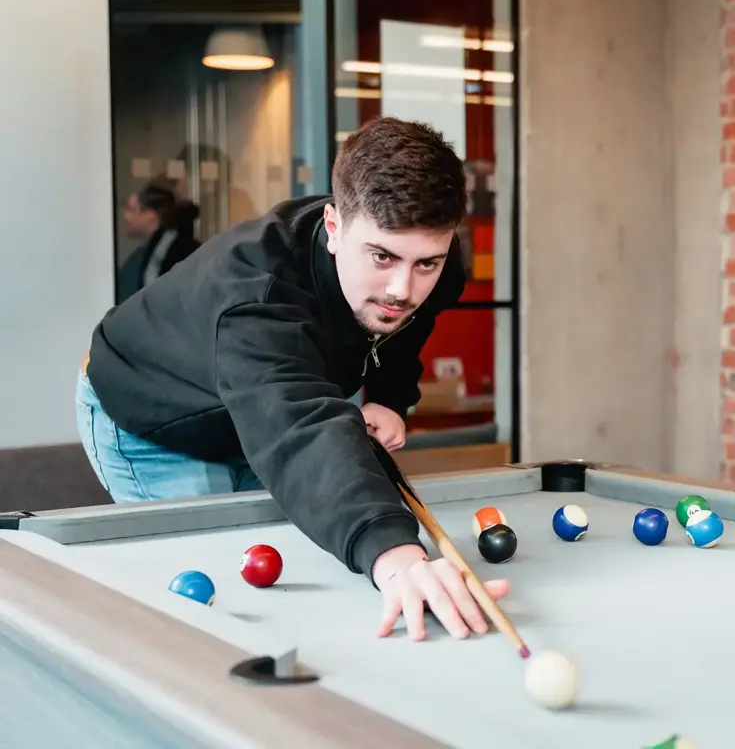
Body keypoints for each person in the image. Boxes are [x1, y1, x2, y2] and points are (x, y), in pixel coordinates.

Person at [77, 118, 507, 641]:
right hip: (152, 415)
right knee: (215, 601)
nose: (402, 287)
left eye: (426, 262)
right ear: (333, 227)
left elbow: (409, 327)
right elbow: (299, 427)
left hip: (259, 404)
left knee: (296, 567)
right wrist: (395, 555)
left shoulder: (435, 268)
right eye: (382, 256)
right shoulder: (258, 296)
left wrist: (392, 398)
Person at [116, 182, 201, 303]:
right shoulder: (151, 251)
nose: (125, 216)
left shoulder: (166, 252)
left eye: (131, 209)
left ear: (151, 214)